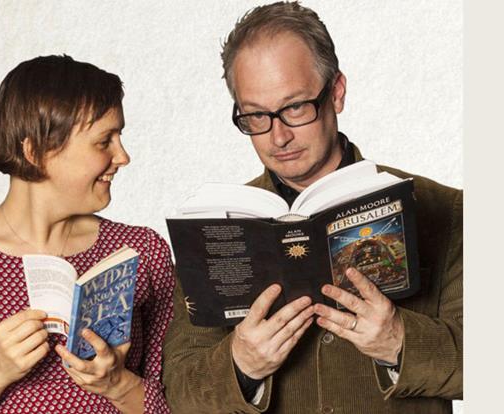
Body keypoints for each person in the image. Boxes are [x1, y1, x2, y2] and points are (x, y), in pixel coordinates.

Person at [162, 2, 462, 413]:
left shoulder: (445, 208)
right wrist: (241, 365)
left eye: (295, 107)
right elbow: (179, 390)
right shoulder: (217, 223)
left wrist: (400, 341)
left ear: (336, 92)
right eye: (255, 115)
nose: (278, 136)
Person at [0, 55, 174, 414]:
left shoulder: (141, 252)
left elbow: (186, 401)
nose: (123, 156)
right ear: (37, 152)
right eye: (104, 141)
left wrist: (116, 384)